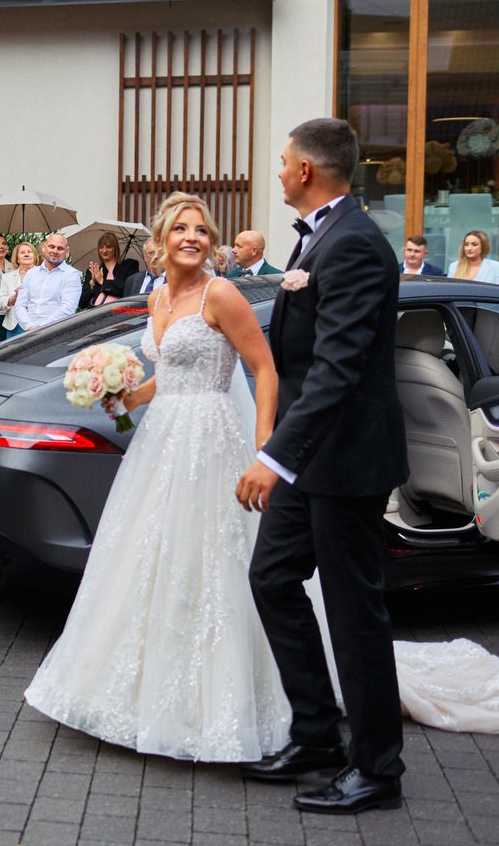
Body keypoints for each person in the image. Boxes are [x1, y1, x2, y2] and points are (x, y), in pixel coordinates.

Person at [25, 193, 288, 763]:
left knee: (210, 557)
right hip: (161, 440)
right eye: (180, 229)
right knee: (146, 554)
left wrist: (265, 449)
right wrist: (120, 399)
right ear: (162, 242)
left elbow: (265, 369)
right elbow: (164, 379)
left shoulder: (222, 295)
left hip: (211, 438)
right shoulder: (158, 298)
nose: (191, 237)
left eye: (201, 230)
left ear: (211, 242)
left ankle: (218, 701)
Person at [235, 118, 409, 813]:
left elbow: (338, 371)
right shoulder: (318, 236)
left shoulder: (356, 243)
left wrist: (274, 456)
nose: (278, 171)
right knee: (272, 577)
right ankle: (315, 736)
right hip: (310, 460)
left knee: (354, 614)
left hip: (346, 462)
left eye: (283, 162)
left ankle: (378, 769)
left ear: (306, 170)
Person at [13, 233, 80, 332]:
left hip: (55, 333)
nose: (55, 251)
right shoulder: (31, 273)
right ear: (44, 248)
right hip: (28, 333)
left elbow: (67, 309)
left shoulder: (71, 275)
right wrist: (28, 326)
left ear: (67, 251)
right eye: (51, 247)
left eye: (60, 248)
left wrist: (40, 329)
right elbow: (20, 305)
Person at [80, 232, 140, 309]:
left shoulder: (128, 265)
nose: (104, 251)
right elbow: (82, 303)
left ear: (115, 248)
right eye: (101, 247)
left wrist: (102, 281)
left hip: (119, 312)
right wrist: (93, 284)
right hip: (95, 312)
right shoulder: (94, 271)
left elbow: (131, 289)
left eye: (108, 247)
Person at [0, 241, 38, 339]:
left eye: (29, 252)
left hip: (37, 325)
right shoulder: (7, 277)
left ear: (34, 256)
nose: (26, 254)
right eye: (22, 252)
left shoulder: (44, 275)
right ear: (17, 258)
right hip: (15, 327)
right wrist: (12, 299)